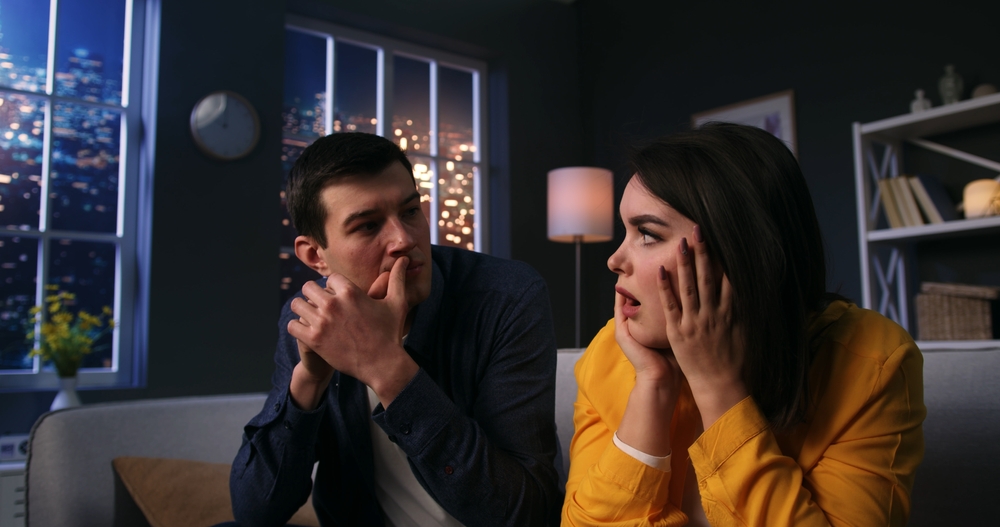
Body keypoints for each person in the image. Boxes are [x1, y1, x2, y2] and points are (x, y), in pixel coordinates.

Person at [562, 123, 925, 526]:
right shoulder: (609, 353)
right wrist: (653, 386)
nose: (615, 259)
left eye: (647, 234)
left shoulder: (873, 362)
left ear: (737, 253)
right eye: (625, 232)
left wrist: (718, 386)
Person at [230, 132, 563, 526]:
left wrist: (386, 368)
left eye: (409, 211)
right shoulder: (309, 320)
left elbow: (527, 514)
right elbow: (255, 513)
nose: (404, 240)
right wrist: (308, 382)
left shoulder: (506, 297)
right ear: (314, 255)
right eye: (368, 226)